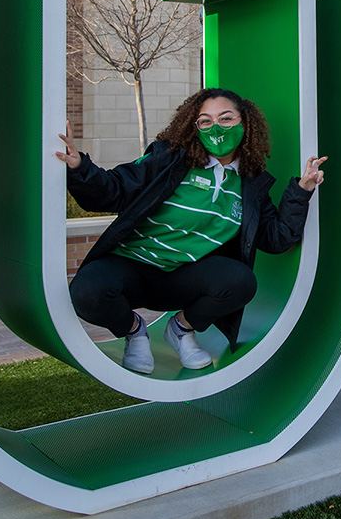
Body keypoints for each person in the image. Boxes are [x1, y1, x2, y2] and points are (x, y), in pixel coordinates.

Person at [56, 88, 326, 374]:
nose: (216, 128)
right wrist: (79, 167)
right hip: (130, 268)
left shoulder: (251, 185)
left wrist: (301, 191)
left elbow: (276, 238)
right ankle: (135, 332)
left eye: (225, 118)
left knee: (241, 281)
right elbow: (113, 190)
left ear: (244, 123)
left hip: (183, 280)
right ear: (194, 126)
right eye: (205, 121)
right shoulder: (168, 160)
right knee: (87, 293)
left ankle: (181, 330)